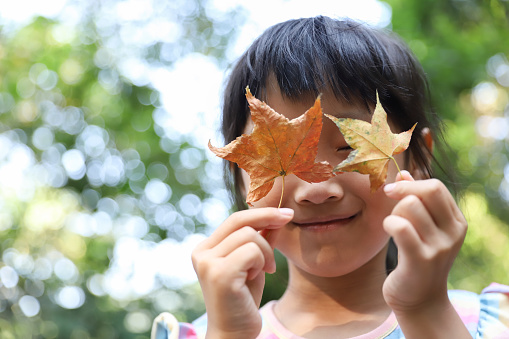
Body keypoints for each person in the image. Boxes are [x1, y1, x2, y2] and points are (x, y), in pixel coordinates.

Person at [152, 16, 509, 339]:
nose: (318, 189)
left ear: (416, 157)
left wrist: (427, 314)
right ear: (241, 173)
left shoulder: (485, 322)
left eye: (348, 148)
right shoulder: (207, 334)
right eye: (281, 157)